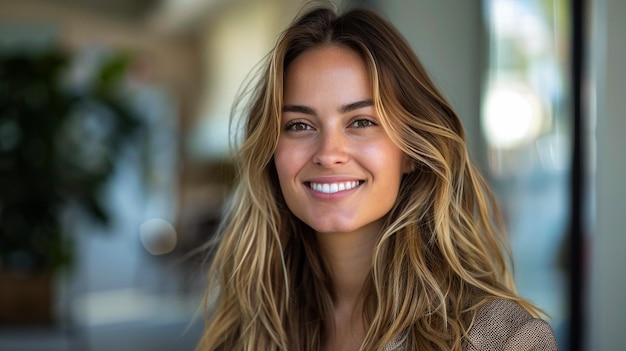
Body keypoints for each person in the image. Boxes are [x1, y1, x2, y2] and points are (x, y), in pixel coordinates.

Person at [195, 2, 558, 350]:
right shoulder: (243, 327)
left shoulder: (500, 339)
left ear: (411, 152)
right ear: (271, 153)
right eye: (300, 125)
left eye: (362, 122)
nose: (328, 153)